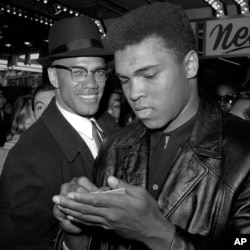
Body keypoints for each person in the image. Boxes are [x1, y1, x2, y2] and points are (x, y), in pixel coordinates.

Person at [52, 2, 250, 250]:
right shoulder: (114, 148)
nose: (134, 93)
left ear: (189, 65)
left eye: (149, 75)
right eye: (125, 79)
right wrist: (76, 231)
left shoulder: (243, 153)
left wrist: (158, 234)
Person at [0, 15, 113, 250]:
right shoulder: (28, 158)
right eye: (78, 72)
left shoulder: (114, 129)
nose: (92, 83)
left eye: (99, 72)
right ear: (53, 77)